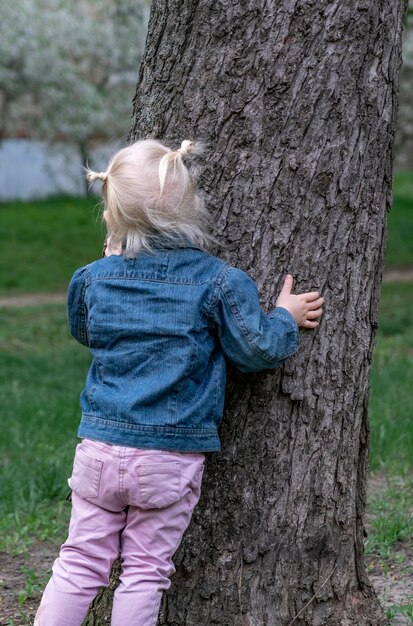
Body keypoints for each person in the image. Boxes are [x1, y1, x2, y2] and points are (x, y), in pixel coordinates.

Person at [34, 139, 324, 626]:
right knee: (145, 570)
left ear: (112, 219)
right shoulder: (219, 281)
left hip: (101, 450)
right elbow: (253, 351)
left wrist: (108, 266)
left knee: (79, 562)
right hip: (168, 457)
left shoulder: (91, 277)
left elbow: (85, 330)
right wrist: (283, 316)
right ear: (193, 210)